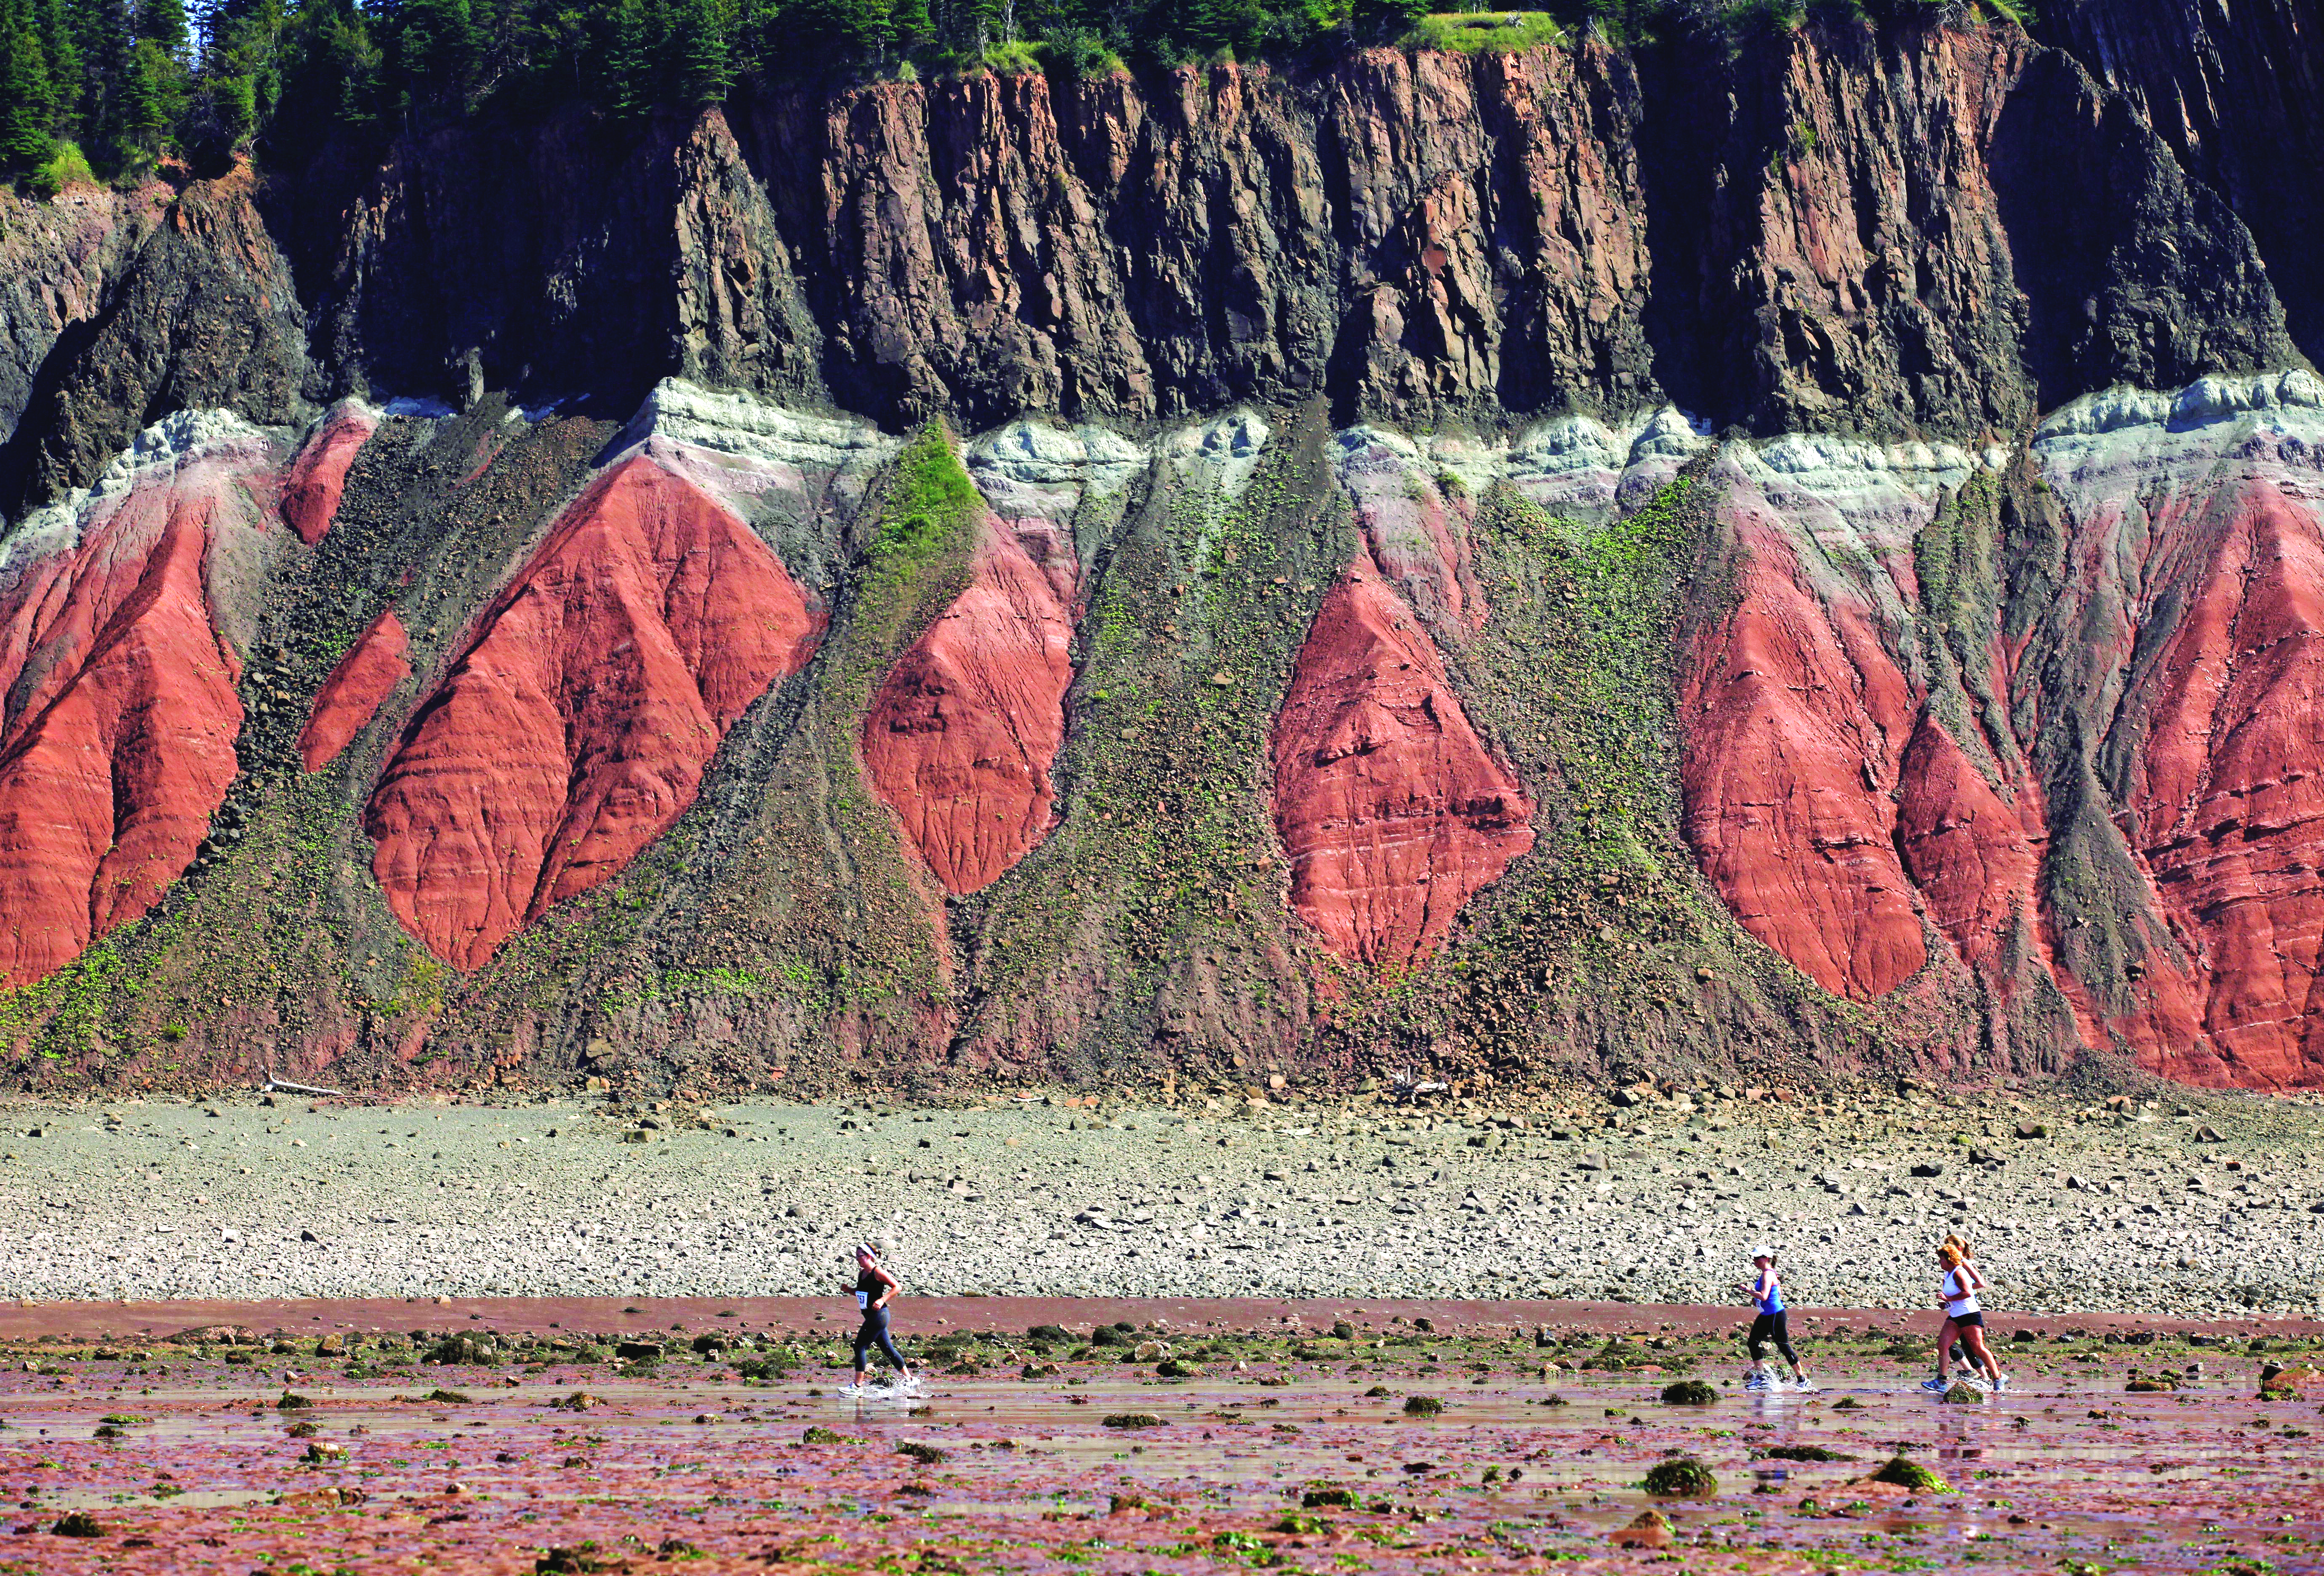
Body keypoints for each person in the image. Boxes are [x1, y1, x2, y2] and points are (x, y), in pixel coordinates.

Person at [1920, 1238, 2006, 1393]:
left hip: (1969, 1315)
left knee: (1978, 1348)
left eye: (1941, 1259)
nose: (1940, 1262)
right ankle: (1941, 1381)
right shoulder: (1948, 1274)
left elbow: (1967, 1293)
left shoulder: (1959, 1273)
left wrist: (1948, 1299)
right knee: (1943, 1345)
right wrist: (1944, 1303)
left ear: (1949, 1259)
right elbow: (1952, 1296)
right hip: (1955, 1316)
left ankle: (1998, 1378)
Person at [840, 1238, 919, 1399]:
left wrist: (883, 1299)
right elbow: (862, 1293)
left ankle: (857, 1386)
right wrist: (849, 1290)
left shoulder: (878, 1272)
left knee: (860, 1346)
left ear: (869, 1256)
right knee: (887, 1348)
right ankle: (910, 1379)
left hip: (879, 1316)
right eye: (856, 1256)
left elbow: (897, 1287)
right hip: (871, 1316)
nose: (857, 1259)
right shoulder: (862, 1273)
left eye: (859, 1256)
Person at [1736, 1244, 1811, 1391]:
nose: (1754, 1261)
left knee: (1783, 1346)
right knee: (1753, 1343)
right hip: (1766, 1315)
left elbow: (1764, 1296)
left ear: (1766, 1259)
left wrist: (1747, 1290)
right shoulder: (1768, 1273)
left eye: (1757, 1258)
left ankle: (1802, 1380)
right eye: (1754, 1258)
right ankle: (1762, 1378)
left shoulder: (1768, 1274)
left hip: (1776, 1315)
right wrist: (1755, 1299)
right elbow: (1775, 1293)